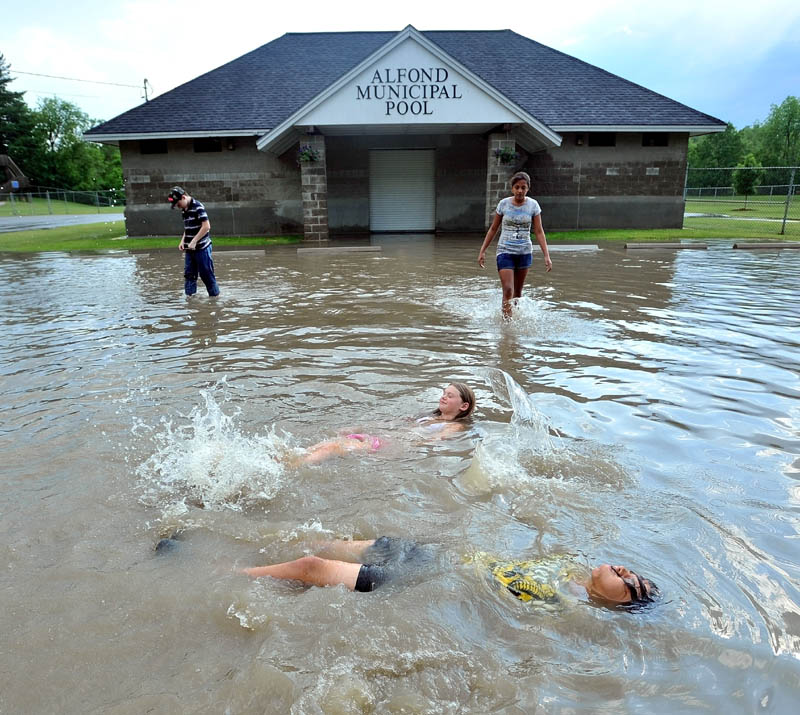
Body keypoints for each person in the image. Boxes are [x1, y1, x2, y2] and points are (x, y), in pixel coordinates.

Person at [243, 535, 659, 611]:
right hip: (434, 557)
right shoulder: (568, 568)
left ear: (623, 598)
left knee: (309, 567)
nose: (623, 568)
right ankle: (256, 554)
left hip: (425, 579)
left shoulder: (562, 607)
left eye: (629, 579)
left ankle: (225, 572)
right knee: (325, 543)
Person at [296, 383, 476, 465]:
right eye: (444, 393)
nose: (443, 396)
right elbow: (392, 422)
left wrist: (407, 445)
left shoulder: (456, 426)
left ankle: (293, 468)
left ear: (464, 406)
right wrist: (358, 428)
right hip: (380, 438)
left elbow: (436, 440)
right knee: (325, 445)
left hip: (388, 445)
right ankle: (289, 461)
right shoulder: (427, 417)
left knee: (332, 448)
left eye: (450, 395)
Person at [478, 171, 552, 319]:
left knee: (517, 293)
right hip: (505, 251)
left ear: (527, 189)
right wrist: (482, 251)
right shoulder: (503, 204)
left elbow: (538, 231)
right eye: (517, 187)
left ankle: (514, 322)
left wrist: (546, 256)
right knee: (508, 289)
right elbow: (493, 229)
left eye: (523, 188)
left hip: (524, 252)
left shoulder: (533, 205)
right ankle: (507, 326)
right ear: (512, 188)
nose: (520, 191)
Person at [167, 186, 220, 297]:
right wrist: (183, 241)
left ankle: (214, 299)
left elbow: (206, 226)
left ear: (183, 197)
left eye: (178, 204)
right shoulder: (184, 210)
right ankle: (190, 301)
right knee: (189, 275)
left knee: (206, 275)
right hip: (189, 249)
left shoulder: (198, 207)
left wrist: (194, 241)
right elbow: (188, 228)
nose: (178, 207)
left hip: (202, 248)